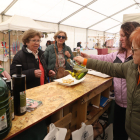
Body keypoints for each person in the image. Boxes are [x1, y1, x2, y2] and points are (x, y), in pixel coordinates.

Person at [74, 26, 140, 140]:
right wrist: (85, 61)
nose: (132, 52)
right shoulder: (132, 66)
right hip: (129, 123)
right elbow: (108, 66)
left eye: (134, 49)